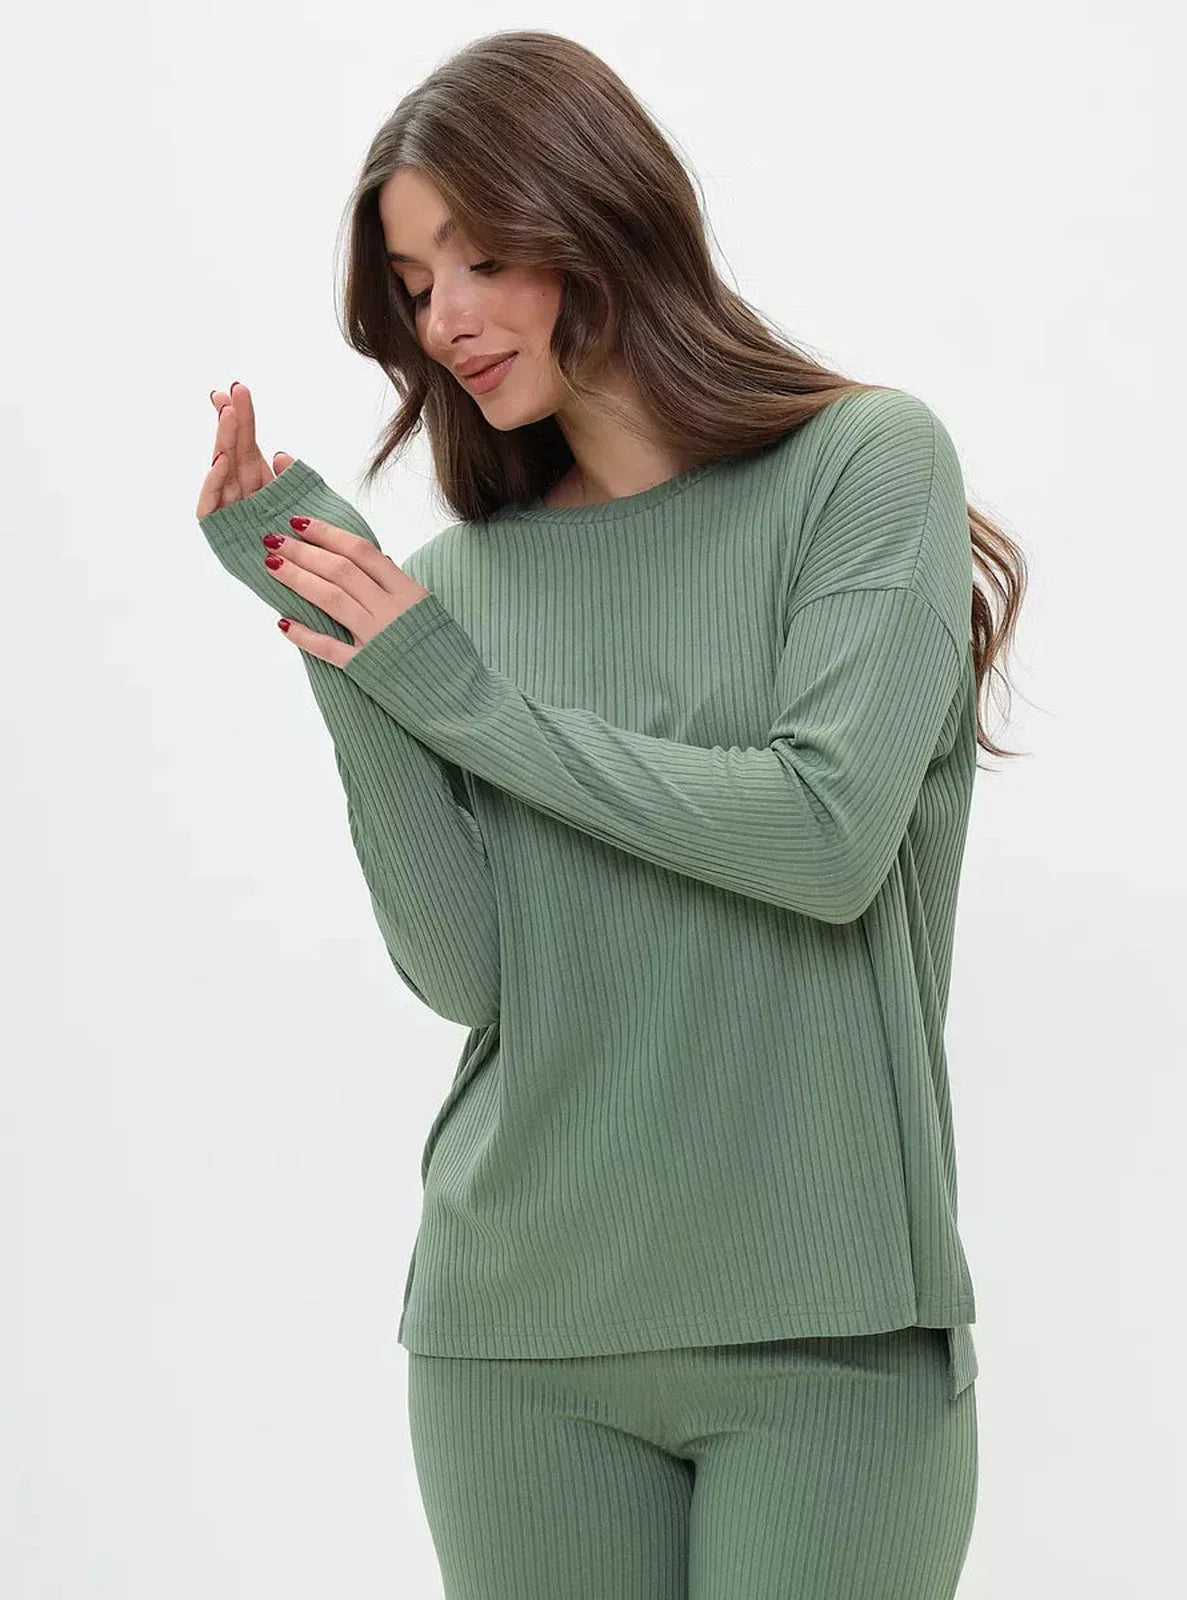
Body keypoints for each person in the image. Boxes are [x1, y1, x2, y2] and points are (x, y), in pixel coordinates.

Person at [194, 28, 1025, 1600]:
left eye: (482, 259)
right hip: (513, 1337)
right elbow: (471, 974)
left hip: (832, 1329)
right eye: (413, 284)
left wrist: (455, 692)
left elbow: (828, 835)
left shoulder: (863, 469)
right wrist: (345, 645)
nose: (445, 319)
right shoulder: (453, 592)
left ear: (602, 216)